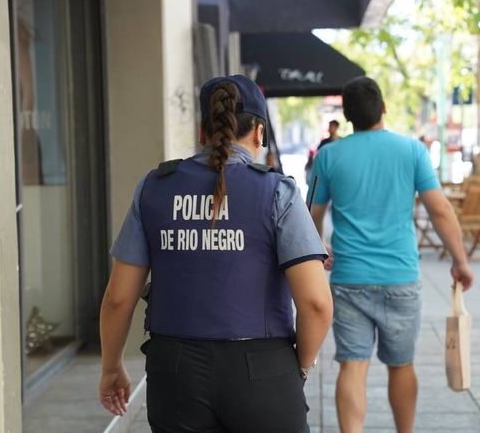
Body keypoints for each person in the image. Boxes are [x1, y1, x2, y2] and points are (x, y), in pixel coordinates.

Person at [98, 75, 333, 433]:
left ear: (202, 130)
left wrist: (111, 366)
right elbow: (316, 302)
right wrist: (299, 365)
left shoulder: (154, 188)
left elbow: (118, 299)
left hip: (175, 373)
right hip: (263, 369)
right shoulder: (277, 192)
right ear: (259, 133)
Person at [308, 76, 473, 433]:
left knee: (352, 364)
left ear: (348, 115)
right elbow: (440, 211)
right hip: (400, 277)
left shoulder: (328, 156)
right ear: (383, 107)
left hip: (349, 278)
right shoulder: (412, 151)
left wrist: (320, 248)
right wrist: (460, 261)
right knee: (402, 365)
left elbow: (311, 219)